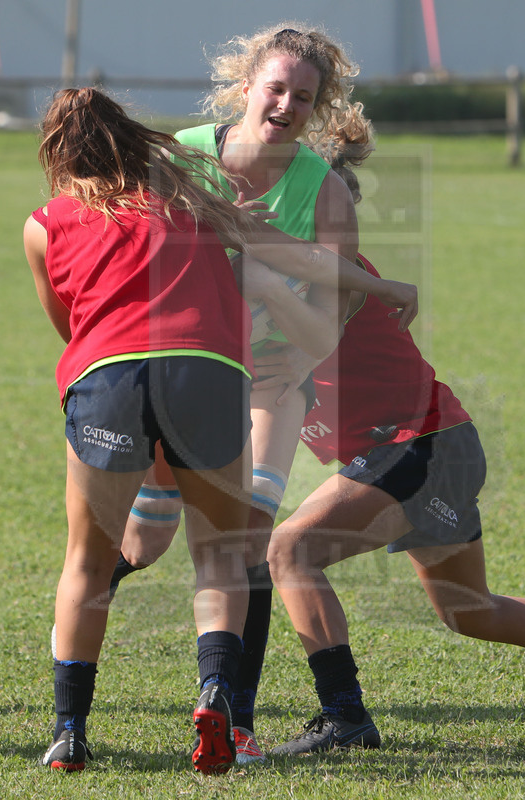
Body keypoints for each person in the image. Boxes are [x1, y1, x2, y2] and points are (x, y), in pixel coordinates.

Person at [31, 87, 415, 774]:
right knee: (215, 554)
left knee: (90, 562)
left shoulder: (47, 221)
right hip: (210, 375)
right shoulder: (190, 187)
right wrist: (384, 289)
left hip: (121, 376)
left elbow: (69, 322)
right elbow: (292, 259)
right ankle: (217, 698)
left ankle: (70, 730)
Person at [264, 168, 525, 755]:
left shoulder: (331, 280)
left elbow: (302, 327)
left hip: (417, 446)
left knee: (291, 549)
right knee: (468, 610)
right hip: (433, 444)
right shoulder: (278, 275)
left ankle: (345, 717)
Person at [108, 23, 385, 764]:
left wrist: (261, 276)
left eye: (303, 96)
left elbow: (331, 327)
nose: (286, 104)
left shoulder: (323, 194)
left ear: (318, 108)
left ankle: (233, 716)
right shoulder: (181, 157)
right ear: (244, 87)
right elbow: (121, 261)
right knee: (140, 541)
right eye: (275, 88)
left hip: (269, 383)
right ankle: (74, 639)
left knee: (248, 543)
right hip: (177, 371)